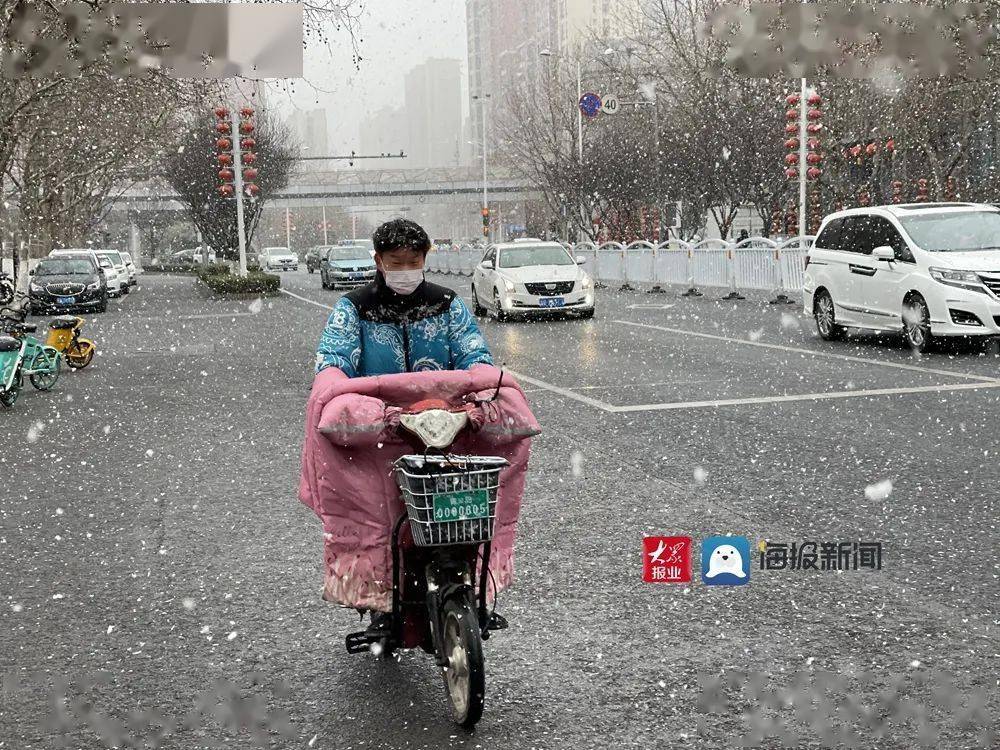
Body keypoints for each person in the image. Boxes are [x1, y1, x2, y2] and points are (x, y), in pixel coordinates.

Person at [315, 218, 493, 377]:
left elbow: (472, 352)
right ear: (379, 261)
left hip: (442, 410)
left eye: (414, 262)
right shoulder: (354, 308)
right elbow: (335, 358)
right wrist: (331, 377)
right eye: (397, 263)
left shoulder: (447, 304)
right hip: (373, 410)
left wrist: (481, 373)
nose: (406, 270)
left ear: (424, 259)